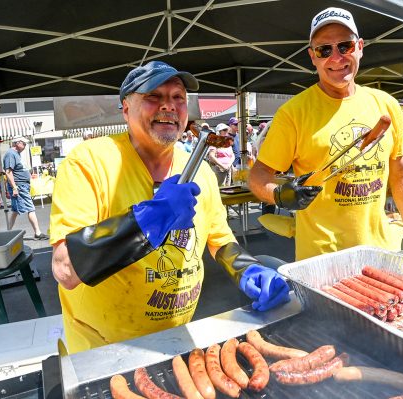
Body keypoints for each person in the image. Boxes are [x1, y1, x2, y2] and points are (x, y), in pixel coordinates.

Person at [49, 60, 290, 354]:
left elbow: (219, 239)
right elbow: (65, 268)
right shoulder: (90, 162)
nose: (169, 106)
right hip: (101, 347)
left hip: (177, 341)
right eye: (154, 96)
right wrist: (152, 218)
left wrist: (248, 269)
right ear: (126, 108)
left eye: (178, 97)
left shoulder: (199, 171)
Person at [248, 7, 403, 260]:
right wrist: (279, 195)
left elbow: (400, 171)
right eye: (324, 50)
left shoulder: (386, 104)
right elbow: (259, 175)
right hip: (322, 256)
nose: (336, 58)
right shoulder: (293, 113)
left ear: (359, 47)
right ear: (312, 57)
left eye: (345, 46)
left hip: (380, 249)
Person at [3, 137, 49, 239]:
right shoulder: (11, 154)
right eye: (24, 143)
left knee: (15, 210)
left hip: (21, 185)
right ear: (17, 143)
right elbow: (8, 172)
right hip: (19, 185)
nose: (25, 146)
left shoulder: (16, 154)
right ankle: (37, 232)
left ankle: (7, 232)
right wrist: (14, 187)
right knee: (30, 208)